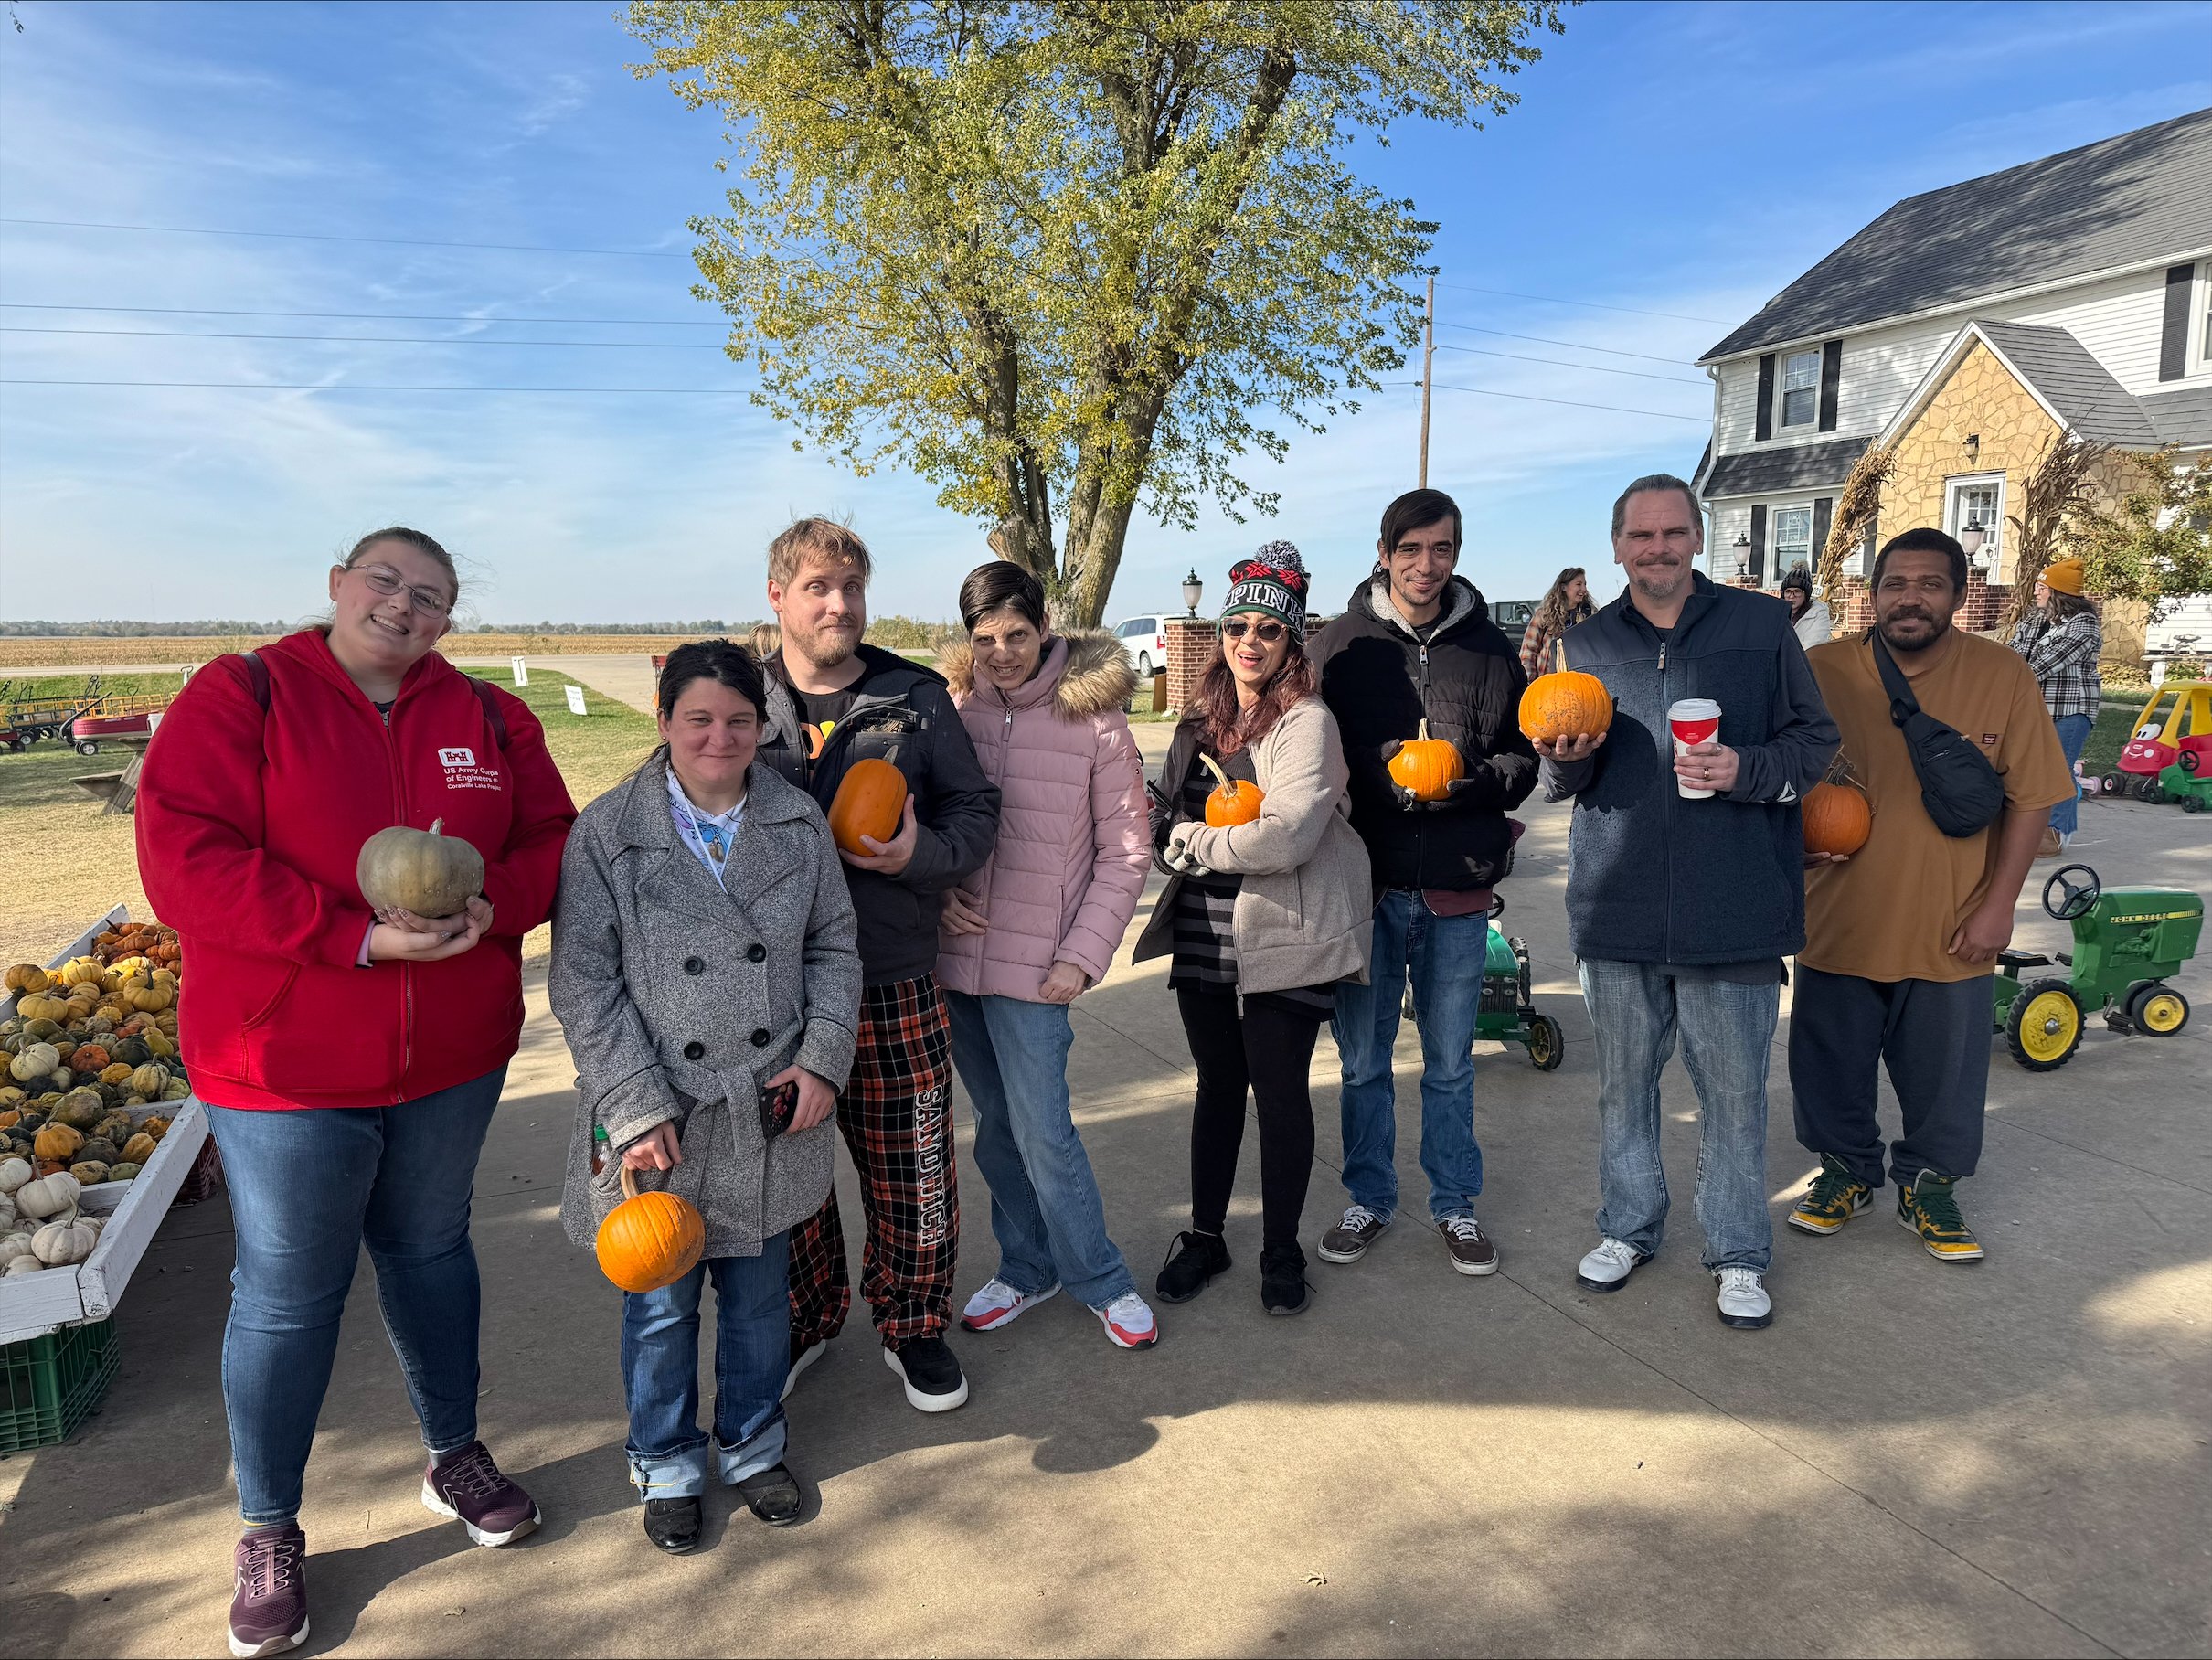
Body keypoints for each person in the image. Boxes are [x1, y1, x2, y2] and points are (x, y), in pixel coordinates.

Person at [134, 528, 576, 1660]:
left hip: (450, 1060)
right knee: (286, 1293)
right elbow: (184, 856)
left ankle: (454, 1452)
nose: (403, 606)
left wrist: (496, 910)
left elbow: (550, 839)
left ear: (446, 622)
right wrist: (353, 938)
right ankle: (269, 1525)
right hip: (283, 1064)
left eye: (429, 597)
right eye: (384, 581)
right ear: (338, 584)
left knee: (432, 1252)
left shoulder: (486, 718)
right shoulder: (246, 696)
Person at [551, 640, 861, 1555]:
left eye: (738, 719)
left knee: (761, 1301)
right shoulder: (609, 833)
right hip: (663, 1120)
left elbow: (835, 948)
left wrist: (821, 1061)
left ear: (760, 724)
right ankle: (666, 1461)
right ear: (664, 721)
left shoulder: (799, 825)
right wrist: (633, 1100)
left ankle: (754, 1442)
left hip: (767, 1105)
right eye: (699, 718)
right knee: (659, 1303)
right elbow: (583, 979)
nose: (720, 736)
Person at [1534, 476, 1837, 1331]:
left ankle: (1738, 1252)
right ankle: (1629, 1228)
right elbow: (1566, 780)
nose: (1657, 549)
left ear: (1698, 538)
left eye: (1673, 533)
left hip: (1734, 904)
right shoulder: (1587, 641)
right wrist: (1564, 757)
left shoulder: (1761, 626)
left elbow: (1814, 743)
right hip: (1618, 907)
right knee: (1623, 1089)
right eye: (1641, 536)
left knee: (1735, 1096)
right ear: (1617, 545)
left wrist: (1747, 770)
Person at [752, 518, 1003, 1413]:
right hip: (775, 989)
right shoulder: (739, 700)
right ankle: (806, 1317)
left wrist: (920, 858)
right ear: (777, 594)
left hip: (890, 969)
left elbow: (975, 809)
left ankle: (913, 1323)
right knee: (792, 1167)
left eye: (850, 588)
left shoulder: (915, 696)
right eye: (818, 587)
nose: (838, 604)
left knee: (912, 1164)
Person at [1791, 529, 2072, 1263]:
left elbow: (2033, 799)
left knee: (1945, 1073)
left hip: (1953, 921)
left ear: (1959, 592)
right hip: (1837, 915)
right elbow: (1772, 775)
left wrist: (2000, 906)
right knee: (1830, 1062)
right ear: (1870, 593)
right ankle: (1845, 1173)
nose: (1910, 597)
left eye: (1930, 584)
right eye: (1895, 583)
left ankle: (1930, 1186)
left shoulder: (2001, 674)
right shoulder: (1818, 670)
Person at [1133, 545, 1374, 1315]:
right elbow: (1168, 809)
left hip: (1287, 929)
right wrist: (1165, 825)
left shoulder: (1308, 723)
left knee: (1278, 1091)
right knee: (1216, 1085)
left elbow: (1288, 837)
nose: (1250, 638)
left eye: (1270, 628)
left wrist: (1196, 843)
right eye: (1238, 622)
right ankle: (1205, 1237)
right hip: (1207, 926)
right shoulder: (1200, 722)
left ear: (1291, 642)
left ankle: (1280, 1250)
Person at [1309, 489, 1538, 1277]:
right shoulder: (1339, 646)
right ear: (1384, 553)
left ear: (1457, 553)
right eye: (1409, 549)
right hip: (1365, 888)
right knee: (1365, 1061)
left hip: (1458, 887)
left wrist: (1468, 784)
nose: (1424, 564)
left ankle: (1455, 1205)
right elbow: (1310, 757)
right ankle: (1369, 1196)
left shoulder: (1490, 648)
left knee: (1449, 1063)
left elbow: (1523, 760)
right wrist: (1380, 784)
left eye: (1440, 549)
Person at [933, 563, 1156, 1349]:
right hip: (958, 964)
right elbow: (927, 827)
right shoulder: (951, 711)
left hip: (1040, 970)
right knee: (995, 1127)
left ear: (1044, 625)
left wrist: (1083, 954)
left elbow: (1129, 852)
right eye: (984, 639)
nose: (1001, 653)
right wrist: (934, 898)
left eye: (1017, 635)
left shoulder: (1095, 720)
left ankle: (1101, 1276)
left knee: (1044, 1131)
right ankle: (1027, 1267)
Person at [2006, 557, 2101, 857]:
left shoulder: (2083, 625)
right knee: (2045, 771)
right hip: (2040, 709)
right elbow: (2014, 654)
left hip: (2072, 709)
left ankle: (2054, 834)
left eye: (2042, 586)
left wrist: (2012, 673)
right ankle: (2060, 833)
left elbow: (2046, 664)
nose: (2035, 591)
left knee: (2059, 771)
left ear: (2057, 592)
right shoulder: (2035, 619)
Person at [1520, 565, 1594, 678]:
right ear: (1563, 587)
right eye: (1578, 584)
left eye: (1585, 584)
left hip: (1579, 682)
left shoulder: (1590, 616)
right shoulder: (1544, 615)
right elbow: (1528, 653)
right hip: (1548, 683)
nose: (1584, 589)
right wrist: (1530, 683)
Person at [1778, 565, 1834, 650]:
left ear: (1806, 594)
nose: (1791, 596)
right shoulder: (1776, 613)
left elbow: (1814, 646)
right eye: (1788, 591)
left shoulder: (1818, 614)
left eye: (1797, 592)